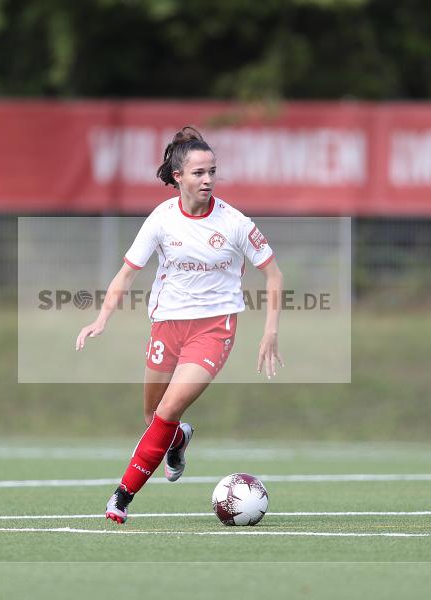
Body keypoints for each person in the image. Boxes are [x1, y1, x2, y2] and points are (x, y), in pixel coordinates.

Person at [75, 126, 284, 524]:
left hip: (213, 329)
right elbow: (126, 273)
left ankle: (121, 497)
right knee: (154, 415)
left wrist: (270, 331)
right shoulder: (161, 219)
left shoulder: (235, 222)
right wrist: (101, 318)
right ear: (178, 177)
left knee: (168, 408)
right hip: (166, 325)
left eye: (212, 172)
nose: (207, 180)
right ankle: (179, 438)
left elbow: (274, 275)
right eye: (198, 173)